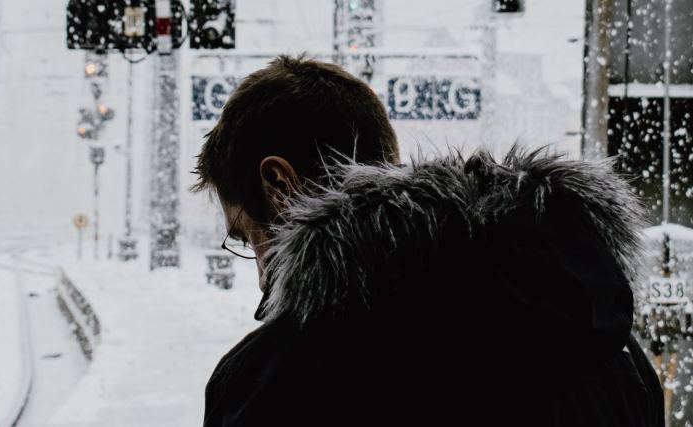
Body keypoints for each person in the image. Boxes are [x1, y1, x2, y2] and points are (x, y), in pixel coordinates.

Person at [194, 55, 664, 427]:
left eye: (248, 238)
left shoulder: (276, 382)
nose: (261, 280)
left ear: (281, 186)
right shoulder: (608, 347)